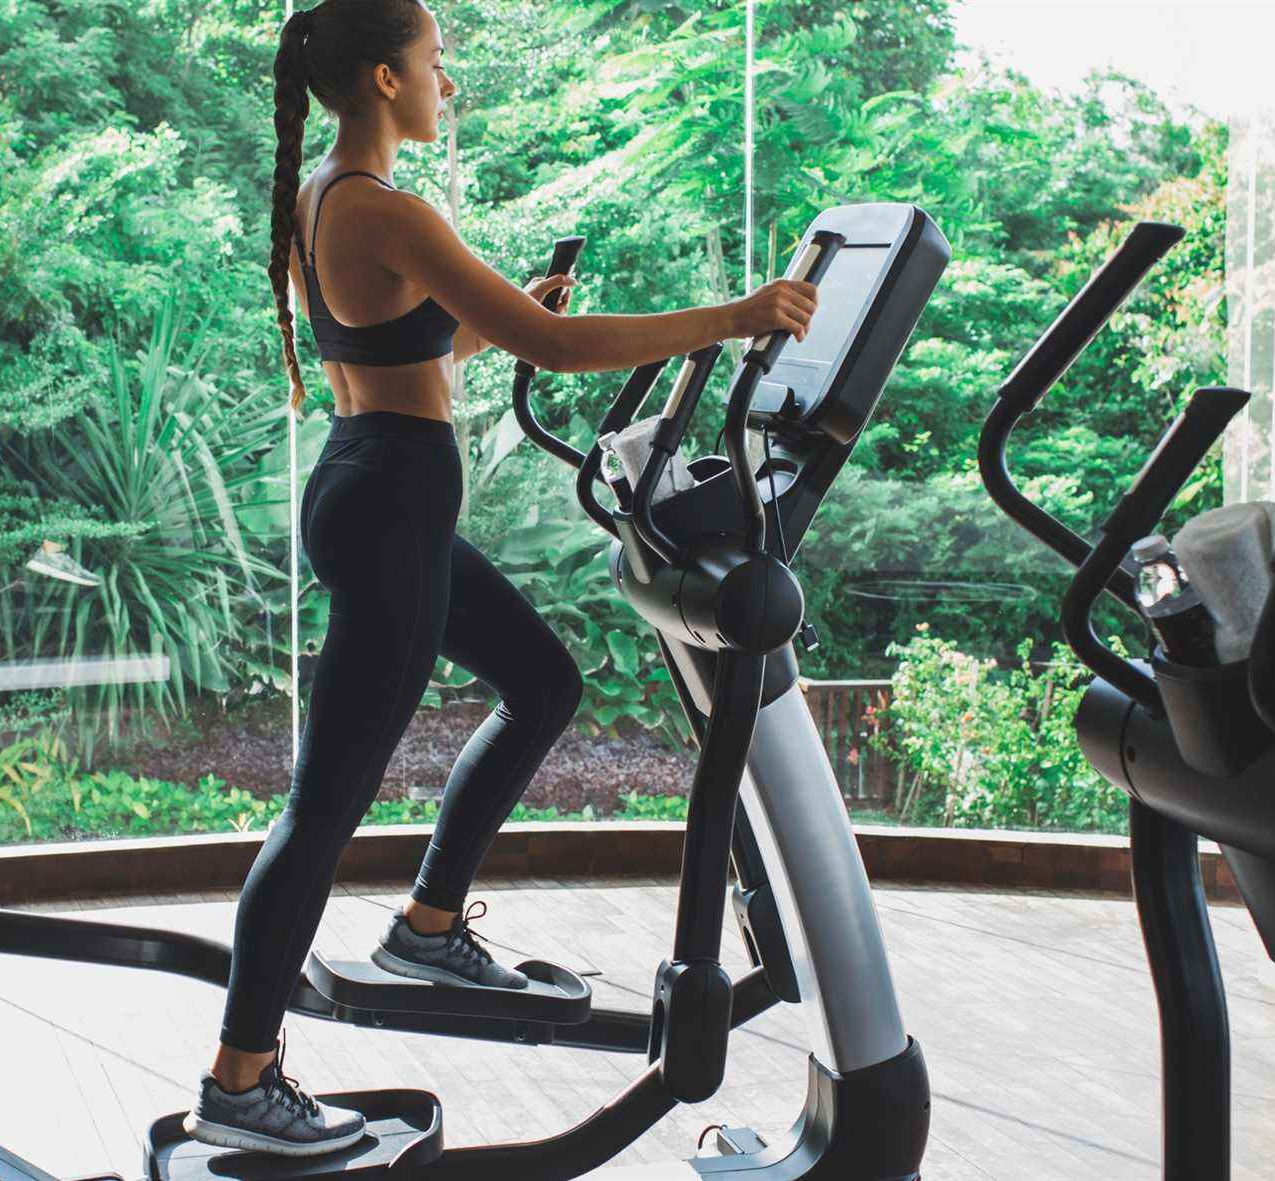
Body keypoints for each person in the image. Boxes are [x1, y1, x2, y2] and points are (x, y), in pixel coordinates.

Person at [185, 0, 818, 1157]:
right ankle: (240, 1074)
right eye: (436, 62)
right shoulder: (384, 205)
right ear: (383, 78)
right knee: (322, 806)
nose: (447, 83)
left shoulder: (323, 200)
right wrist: (734, 317)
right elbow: (555, 350)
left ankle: (430, 921)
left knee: (541, 679)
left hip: (374, 487)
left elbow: (414, 346)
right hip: (390, 505)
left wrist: (503, 313)